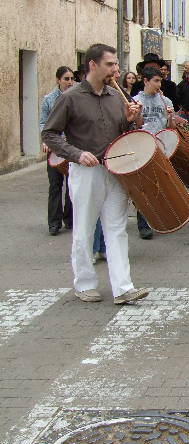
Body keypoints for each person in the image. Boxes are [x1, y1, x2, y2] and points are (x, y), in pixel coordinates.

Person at [41, 43, 148, 305]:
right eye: (110, 64)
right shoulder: (71, 97)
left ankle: (123, 287)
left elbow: (121, 131)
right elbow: (49, 134)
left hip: (115, 169)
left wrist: (129, 119)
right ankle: (85, 284)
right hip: (85, 170)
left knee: (117, 228)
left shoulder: (116, 95)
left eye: (116, 64)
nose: (115, 69)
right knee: (84, 229)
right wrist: (76, 154)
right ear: (92, 65)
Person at [132, 66, 176, 239]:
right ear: (145, 81)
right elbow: (135, 126)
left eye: (160, 81)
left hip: (161, 147)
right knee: (144, 187)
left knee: (160, 184)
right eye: (156, 81)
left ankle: (158, 218)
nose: (159, 85)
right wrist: (137, 114)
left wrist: (170, 116)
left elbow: (171, 127)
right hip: (142, 147)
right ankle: (143, 224)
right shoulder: (135, 100)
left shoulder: (166, 101)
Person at [40, 66, 76, 235]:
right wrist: (46, 141)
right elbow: (43, 123)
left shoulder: (75, 97)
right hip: (54, 146)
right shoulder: (49, 99)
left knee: (71, 184)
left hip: (71, 147)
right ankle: (54, 222)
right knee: (55, 185)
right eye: (66, 79)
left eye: (71, 79)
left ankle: (70, 219)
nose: (70, 82)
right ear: (58, 80)